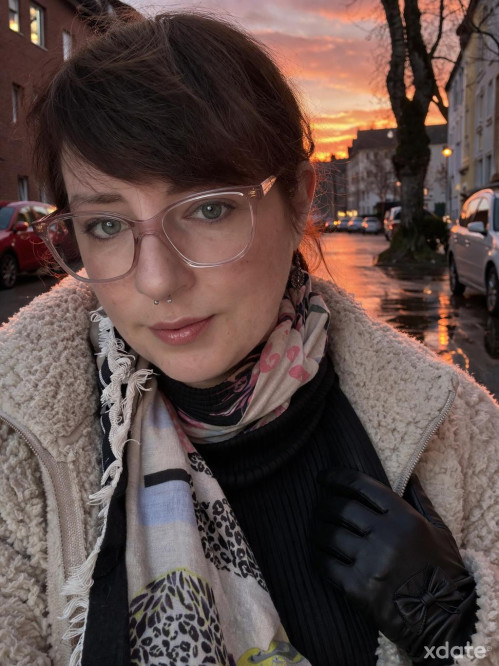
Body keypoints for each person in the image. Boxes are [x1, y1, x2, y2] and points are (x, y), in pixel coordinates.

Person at [0, 11, 497, 666]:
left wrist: (459, 628)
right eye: (106, 225)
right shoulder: (16, 456)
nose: (157, 280)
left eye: (209, 208)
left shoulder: (456, 432)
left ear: (299, 201)